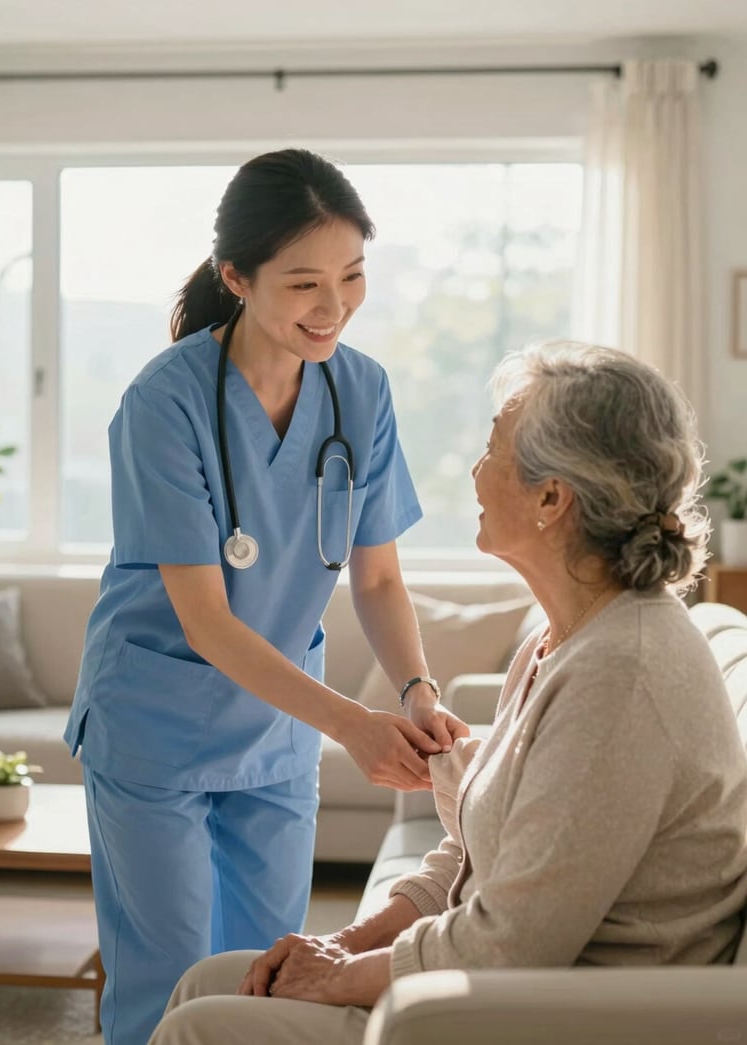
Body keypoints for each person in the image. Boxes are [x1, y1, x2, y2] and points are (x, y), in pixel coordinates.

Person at [147, 340, 747, 1045]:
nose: (475, 469)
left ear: (553, 498)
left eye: (494, 446)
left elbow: (509, 942)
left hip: (556, 1012)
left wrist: (339, 974)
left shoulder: (624, 675)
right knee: (206, 980)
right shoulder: (560, 641)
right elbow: (475, 853)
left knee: (200, 1025)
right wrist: (349, 939)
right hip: (504, 983)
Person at [63, 148, 468, 1045]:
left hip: (278, 727)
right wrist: (353, 725)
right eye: (303, 284)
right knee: (165, 978)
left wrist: (415, 694)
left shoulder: (360, 390)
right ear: (237, 278)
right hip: (155, 719)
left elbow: (378, 576)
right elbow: (207, 620)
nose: (334, 307)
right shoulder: (163, 404)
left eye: (353, 276)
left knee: (268, 974)